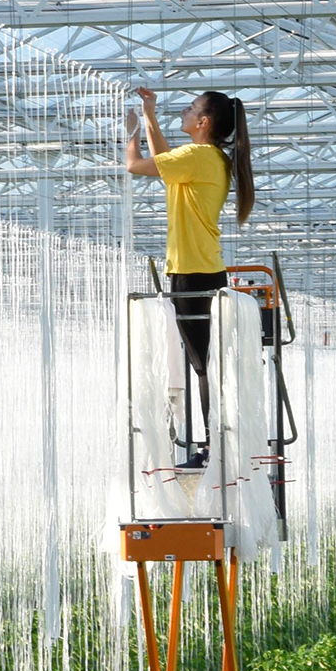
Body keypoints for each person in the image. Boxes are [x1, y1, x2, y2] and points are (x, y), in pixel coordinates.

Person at [125, 87, 255, 468]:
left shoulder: (199, 155)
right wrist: (149, 115)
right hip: (202, 270)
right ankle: (218, 446)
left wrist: (131, 132)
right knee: (207, 364)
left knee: (204, 366)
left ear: (204, 123)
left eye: (190, 108)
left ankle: (216, 450)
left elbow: (136, 166)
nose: (183, 112)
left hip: (192, 274)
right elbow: (165, 162)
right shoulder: (205, 157)